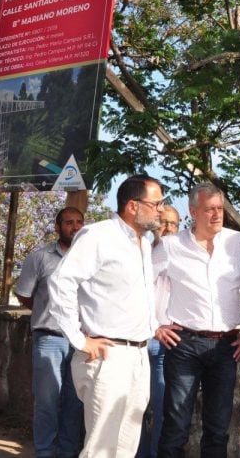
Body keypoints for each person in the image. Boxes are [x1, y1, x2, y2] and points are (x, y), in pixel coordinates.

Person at [49, 174, 163, 457]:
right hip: (108, 357)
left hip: (138, 355)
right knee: (101, 447)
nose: (161, 210)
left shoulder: (145, 244)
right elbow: (61, 282)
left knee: (126, 446)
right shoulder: (99, 235)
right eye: (156, 203)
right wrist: (79, 339)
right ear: (133, 206)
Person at [155, 182, 240, 458]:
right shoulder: (171, 245)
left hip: (226, 346)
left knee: (218, 428)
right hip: (184, 344)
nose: (217, 214)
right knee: (176, 425)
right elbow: (144, 284)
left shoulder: (236, 243)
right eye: (209, 209)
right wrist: (156, 325)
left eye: (220, 208)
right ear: (193, 211)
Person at [15, 206, 85, 458]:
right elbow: (24, 295)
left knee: (75, 403)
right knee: (46, 403)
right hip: (50, 339)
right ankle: (45, 453)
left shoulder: (91, 259)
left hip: (82, 342)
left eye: (79, 222)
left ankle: (67, 453)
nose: (74, 227)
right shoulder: (40, 258)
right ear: (57, 227)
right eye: (68, 222)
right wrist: (46, 309)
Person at [138, 205, 181, 458]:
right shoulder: (141, 254)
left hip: (168, 344)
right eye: (162, 223)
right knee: (136, 408)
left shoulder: (186, 258)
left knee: (164, 409)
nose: (167, 228)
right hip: (141, 340)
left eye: (173, 224)